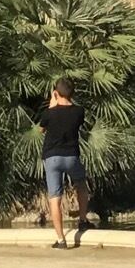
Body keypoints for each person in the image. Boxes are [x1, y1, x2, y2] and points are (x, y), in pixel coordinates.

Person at [39, 80, 89, 248]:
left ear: (55, 93)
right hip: (71, 156)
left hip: (52, 158)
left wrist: (53, 106)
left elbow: (41, 129)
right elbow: (76, 121)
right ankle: (82, 220)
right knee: (81, 185)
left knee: (55, 197)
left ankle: (61, 240)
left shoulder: (49, 113)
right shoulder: (79, 112)